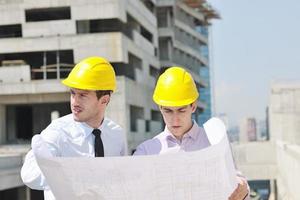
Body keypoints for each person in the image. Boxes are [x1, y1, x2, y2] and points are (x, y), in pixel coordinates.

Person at [134, 66, 249, 200]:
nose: (175, 119)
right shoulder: (147, 151)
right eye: (168, 111)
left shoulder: (214, 142)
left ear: (193, 106)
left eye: (181, 110)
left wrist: (243, 187)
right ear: (160, 108)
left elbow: (238, 183)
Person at [21, 56, 126, 200]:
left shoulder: (116, 134)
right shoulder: (58, 132)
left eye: (83, 95)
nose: (74, 102)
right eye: (72, 93)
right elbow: (29, 174)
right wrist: (73, 174)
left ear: (104, 100)